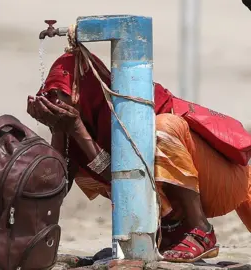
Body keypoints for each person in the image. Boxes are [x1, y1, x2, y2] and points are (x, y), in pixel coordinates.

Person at [27, 49, 251, 262]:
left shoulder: (126, 103)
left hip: (224, 181)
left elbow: (127, 172)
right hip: (194, 190)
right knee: (88, 168)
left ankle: (201, 231)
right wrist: (58, 131)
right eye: (48, 95)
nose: (52, 103)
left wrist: (75, 128)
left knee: (162, 130)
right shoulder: (80, 124)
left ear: (79, 91)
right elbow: (55, 190)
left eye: (59, 95)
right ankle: (168, 233)